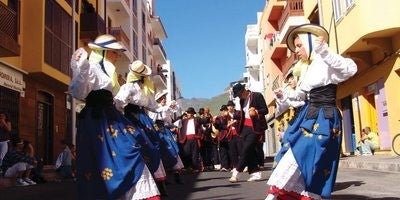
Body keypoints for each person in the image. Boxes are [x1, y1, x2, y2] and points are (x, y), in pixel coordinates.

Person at [265, 23, 357, 200]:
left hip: (325, 117)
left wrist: (325, 52)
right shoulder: (309, 67)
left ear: (310, 43)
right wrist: (283, 96)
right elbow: (300, 97)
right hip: (308, 115)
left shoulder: (326, 60)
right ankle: (277, 196)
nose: (297, 51)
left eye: (299, 46)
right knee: (291, 155)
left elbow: (350, 69)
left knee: (307, 160)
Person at [69, 34, 160, 199]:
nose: (118, 56)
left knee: (130, 150)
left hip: (111, 117)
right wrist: (81, 67)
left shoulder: (108, 72)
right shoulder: (91, 68)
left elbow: (119, 100)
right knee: (113, 157)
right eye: (114, 52)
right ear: (103, 52)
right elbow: (78, 92)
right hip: (98, 121)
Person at [114, 61, 169, 197]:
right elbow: (119, 102)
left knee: (152, 147)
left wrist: (166, 108)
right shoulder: (128, 87)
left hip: (143, 120)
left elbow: (153, 106)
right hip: (132, 119)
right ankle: (139, 185)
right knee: (139, 147)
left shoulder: (144, 89)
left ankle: (157, 184)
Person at [228, 83, 268, 182]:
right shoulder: (241, 101)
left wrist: (256, 111)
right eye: (237, 95)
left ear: (244, 90)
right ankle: (255, 173)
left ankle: (236, 173)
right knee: (246, 150)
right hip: (244, 128)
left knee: (246, 149)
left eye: (240, 94)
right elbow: (243, 114)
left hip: (255, 127)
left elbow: (265, 110)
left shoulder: (257, 95)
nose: (239, 96)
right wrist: (234, 118)